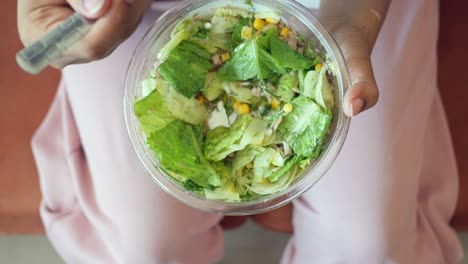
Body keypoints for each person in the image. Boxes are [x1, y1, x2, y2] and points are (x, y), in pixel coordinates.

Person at [17, 0, 463, 263]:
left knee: (369, 244)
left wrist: (358, 11)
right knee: (143, 245)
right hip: (142, 13)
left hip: (342, 9)